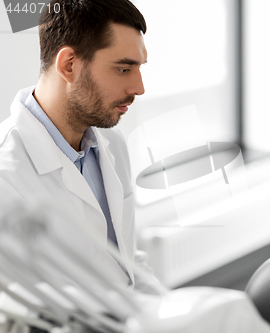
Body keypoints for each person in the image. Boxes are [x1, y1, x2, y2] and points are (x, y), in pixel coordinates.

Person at [0, 0, 160, 293]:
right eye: (124, 69)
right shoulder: (6, 175)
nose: (139, 88)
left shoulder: (112, 144)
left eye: (139, 68)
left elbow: (126, 262)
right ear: (69, 65)